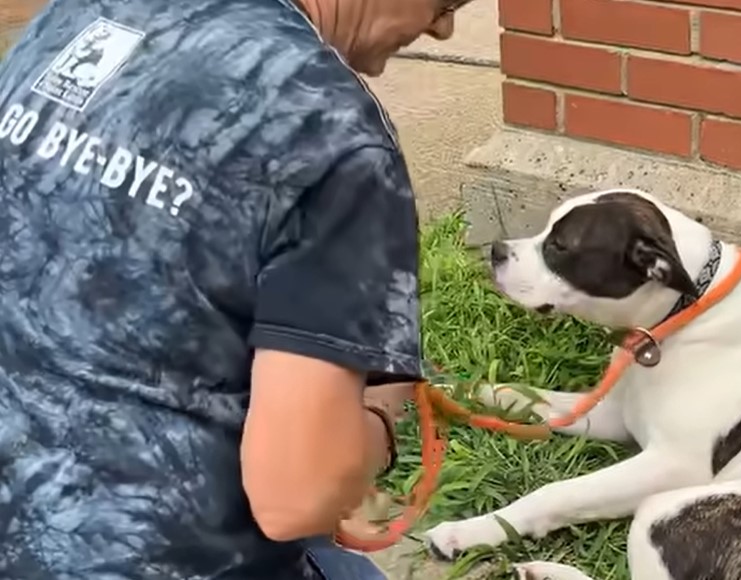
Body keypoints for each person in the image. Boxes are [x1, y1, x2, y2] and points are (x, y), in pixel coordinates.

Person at [0, 0, 471, 578]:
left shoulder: (76, 15)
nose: (444, 28)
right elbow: (296, 499)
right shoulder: (325, 123)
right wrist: (375, 422)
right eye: (447, 4)